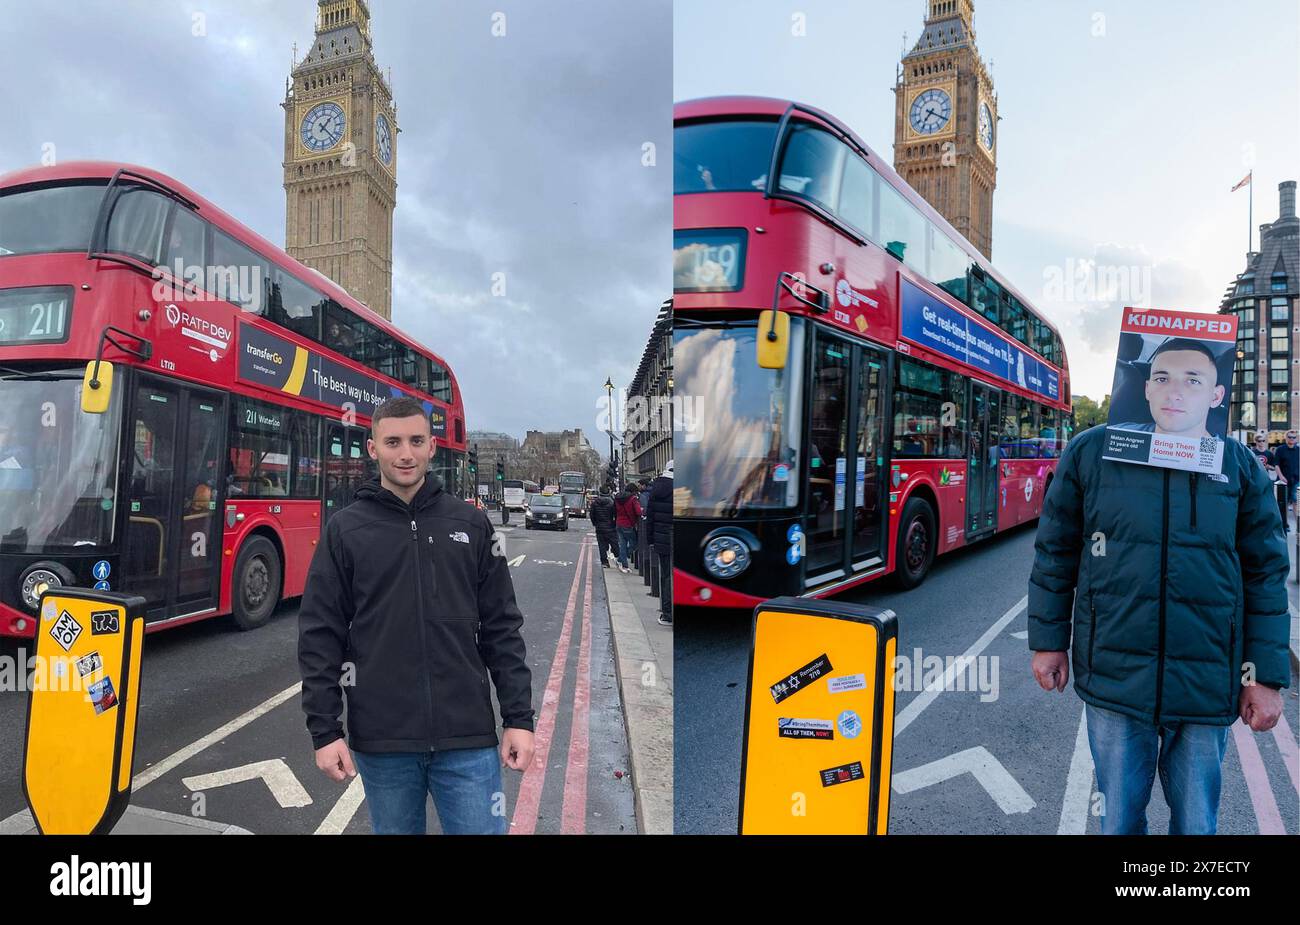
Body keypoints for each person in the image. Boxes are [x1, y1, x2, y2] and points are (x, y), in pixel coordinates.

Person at [1028, 423, 1289, 835]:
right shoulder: (1090, 451)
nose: (1175, 389)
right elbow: (1056, 551)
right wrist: (1049, 642)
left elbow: (1264, 573)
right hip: (1116, 677)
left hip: (1205, 678)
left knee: (1196, 825)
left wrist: (1264, 677)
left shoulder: (1235, 461)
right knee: (1118, 823)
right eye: (1162, 375)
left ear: (1214, 388)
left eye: (1191, 378)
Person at [298, 395, 535, 835]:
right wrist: (324, 730)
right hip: (383, 742)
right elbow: (320, 633)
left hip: (468, 739)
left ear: (431, 447)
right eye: (392, 442)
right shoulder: (345, 530)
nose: (404, 453)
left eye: (415, 441)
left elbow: (502, 627)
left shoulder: (471, 523)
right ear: (373, 449)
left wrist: (519, 718)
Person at [1113, 338, 1226, 439]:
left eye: (1193, 381)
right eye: (1161, 379)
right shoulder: (1113, 436)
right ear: (1147, 390)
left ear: (1215, 397)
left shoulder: (1231, 458)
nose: (1173, 394)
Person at [644, 461, 673, 627]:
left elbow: (650, 517)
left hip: (661, 539)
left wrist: (650, 540)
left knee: (666, 576)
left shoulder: (657, 488)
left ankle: (667, 614)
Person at [613, 481, 643, 574]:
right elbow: (638, 512)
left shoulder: (617, 498)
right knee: (635, 543)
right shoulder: (633, 499)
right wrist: (642, 510)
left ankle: (624, 564)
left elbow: (614, 510)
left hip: (618, 523)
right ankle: (621, 559)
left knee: (623, 544)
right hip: (628, 524)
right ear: (633, 491)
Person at [589, 482, 619, 569]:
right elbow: (615, 514)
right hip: (610, 527)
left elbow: (592, 515)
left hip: (599, 527)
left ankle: (604, 562)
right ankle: (617, 556)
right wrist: (614, 523)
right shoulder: (612, 503)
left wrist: (595, 523)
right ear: (608, 492)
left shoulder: (595, 503)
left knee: (601, 545)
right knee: (614, 544)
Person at [1275, 430, 1299, 527]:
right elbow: (1276, 465)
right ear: (1286, 437)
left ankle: (1298, 524)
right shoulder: (1280, 449)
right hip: (1283, 481)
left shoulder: (1299, 450)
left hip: (1296, 481)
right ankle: (1285, 524)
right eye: (1289, 437)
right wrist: (1281, 476)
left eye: (1293, 437)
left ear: (1296, 438)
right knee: (1283, 503)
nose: (1291, 439)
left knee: (1296, 502)